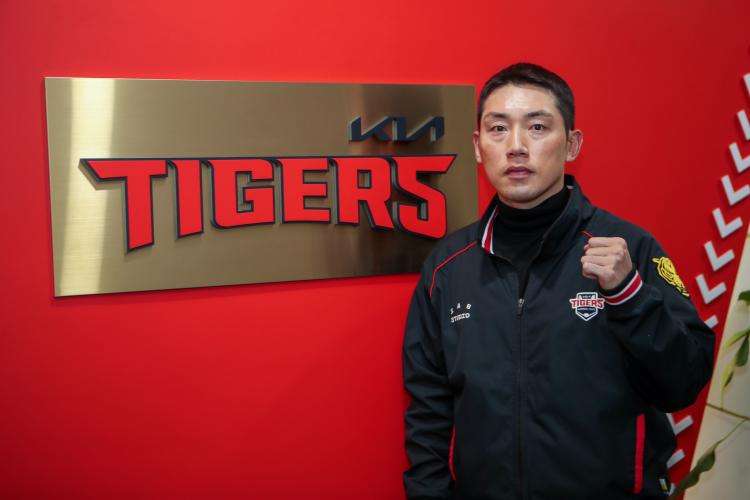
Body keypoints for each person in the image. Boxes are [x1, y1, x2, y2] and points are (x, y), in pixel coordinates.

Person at [402, 62, 715, 500]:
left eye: (537, 127)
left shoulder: (631, 249)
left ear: (571, 144)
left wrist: (629, 295)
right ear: (477, 146)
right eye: (498, 129)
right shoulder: (447, 267)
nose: (516, 147)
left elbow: (685, 382)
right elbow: (428, 410)